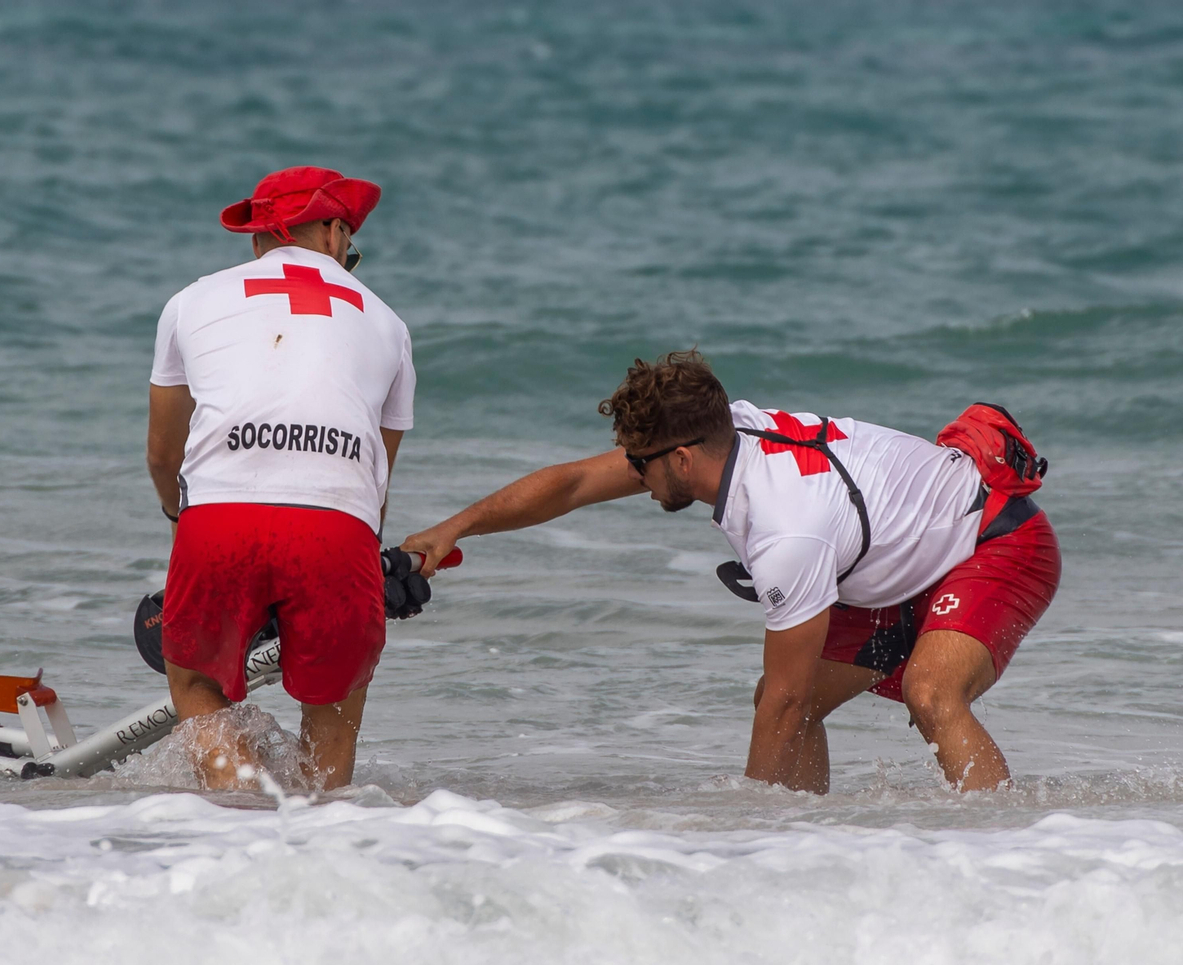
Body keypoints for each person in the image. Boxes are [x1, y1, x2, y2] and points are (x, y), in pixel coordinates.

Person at [402, 351, 1059, 793]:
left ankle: (1010, 865)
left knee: (926, 693)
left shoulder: (786, 530)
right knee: (783, 707)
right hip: (890, 554)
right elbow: (572, 484)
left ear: (681, 459)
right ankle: (803, 854)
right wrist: (454, 528)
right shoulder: (730, 433)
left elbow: (787, 697)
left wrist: (737, 851)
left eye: (639, 462)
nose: (632, 473)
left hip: (994, 542)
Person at [147, 166, 415, 791]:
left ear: (259, 241)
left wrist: (176, 517)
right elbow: (374, 480)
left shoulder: (192, 300)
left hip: (217, 522)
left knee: (195, 680)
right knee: (333, 719)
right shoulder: (389, 323)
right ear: (333, 232)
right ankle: (320, 844)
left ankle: (235, 794)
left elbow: (164, 455)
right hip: (336, 529)